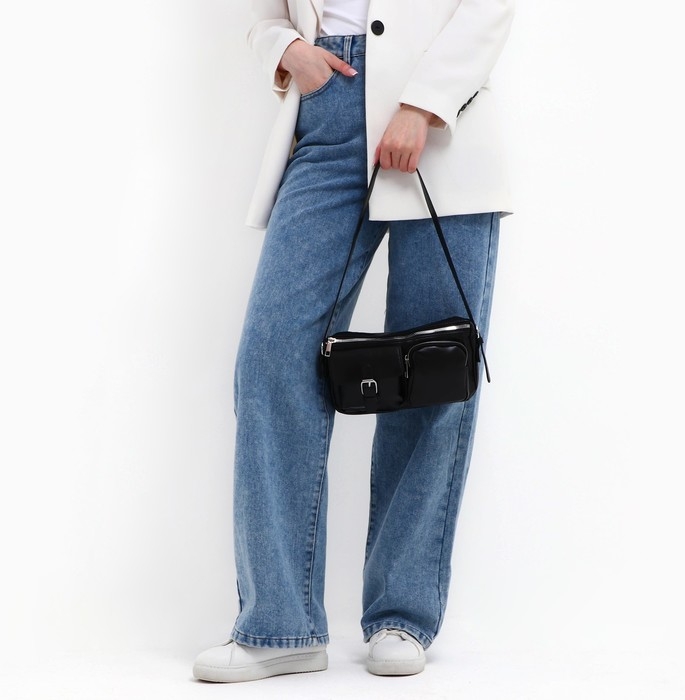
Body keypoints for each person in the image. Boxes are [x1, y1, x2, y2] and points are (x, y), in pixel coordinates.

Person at [193, 0, 514, 683]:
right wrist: (286, 50)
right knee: (272, 361)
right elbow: (264, 14)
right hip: (328, 112)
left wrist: (423, 103)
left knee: (432, 369)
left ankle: (402, 614)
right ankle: (280, 625)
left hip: (442, 118)